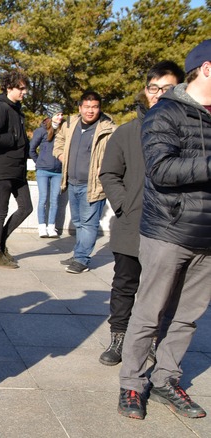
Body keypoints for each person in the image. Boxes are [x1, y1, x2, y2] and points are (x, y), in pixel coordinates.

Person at [117, 39, 211, 420]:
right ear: (207, 69)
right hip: (168, 231)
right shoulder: (165, 114)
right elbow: (162, 170)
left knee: (188, 316)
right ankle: (132, 385)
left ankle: (167, 379)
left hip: (207, 237)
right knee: (149, 313)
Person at [98, 61, 184, 367]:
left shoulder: (188, 131)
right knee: (124, 285)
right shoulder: (126, 132)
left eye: (167, 88)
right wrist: (124, 205)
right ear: (146, 91)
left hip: (172, 227)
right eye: (153, 88)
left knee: (164, 289)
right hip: (131, 223)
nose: (159, 94)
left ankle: (153, 340)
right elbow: (109, 173)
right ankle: (118, 339)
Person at [52, 90, 116, 274]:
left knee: (89, 223)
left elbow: (117, 153)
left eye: (94, 107)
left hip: (93, 184)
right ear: (80, 108)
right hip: (72, 181)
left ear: (99, 108)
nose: (90, 111)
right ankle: (78, 253)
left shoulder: (108, 128)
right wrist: (62, 155)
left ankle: (81, 259)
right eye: (87, 107)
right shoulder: (70, 123)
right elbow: (59, 141)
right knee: (79, 222)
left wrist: (105, 167)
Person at [0, 71, 34, 268]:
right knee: (0, 212)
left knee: (26, 207)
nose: (24, 92)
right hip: (3, 168)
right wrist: (15, 138)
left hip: (18, 168)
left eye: (24, 88)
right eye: (20, 88)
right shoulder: (1, 108)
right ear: (9, 87)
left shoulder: (16, 108)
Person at [29, 103, 64, 238]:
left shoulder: (63, 131)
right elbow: (31, 149)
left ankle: (51, 227)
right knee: (43, 198)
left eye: (61, 114)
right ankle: (41, 227)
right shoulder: (41, 131)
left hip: (58, 171)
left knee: (54, 199)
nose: (60, 117)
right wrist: (39, 162)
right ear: (51, 115)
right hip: (43, 171)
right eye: (57, 114)